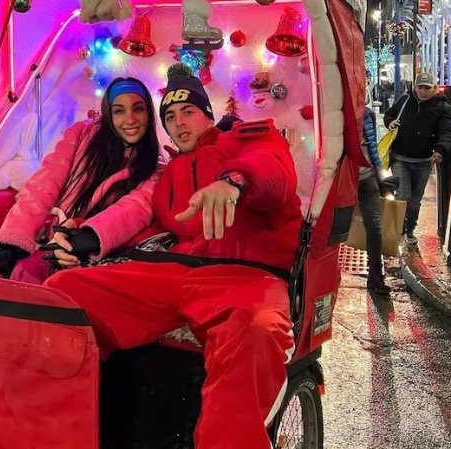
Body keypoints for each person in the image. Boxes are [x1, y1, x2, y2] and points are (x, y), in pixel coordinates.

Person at [44, 63, 302, 449]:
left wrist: (233, 182)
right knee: (65, 292)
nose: (178, 123)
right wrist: (81, 235)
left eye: (187, 112)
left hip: (246, 277)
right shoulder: (166, 175)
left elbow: (274, 170)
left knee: (256, 329)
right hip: (173, 273)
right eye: (169, 116)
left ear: (207, 115)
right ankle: (66, 431)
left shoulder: (245, 139)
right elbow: (143, 224)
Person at [0, 77, 162, 283]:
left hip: (92, 248)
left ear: (149, 113)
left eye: (138, 109)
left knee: (29, 273)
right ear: (109, 114)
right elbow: (44, 183)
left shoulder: (154, 170)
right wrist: (9, 245)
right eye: (119, 111)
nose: (130, 119)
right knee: (11, 271)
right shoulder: (82, 135)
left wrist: (82, 241)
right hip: (51, 235)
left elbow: (132, 211)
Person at [384, 72, 451, 244]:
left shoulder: (442, 107)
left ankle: (410, 229)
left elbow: (446, 132)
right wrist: (390, 122)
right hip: (400, 158)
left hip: (423, 162)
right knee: (403, 195)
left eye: (427, 88)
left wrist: (440, 150)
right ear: (415, 87)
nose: (423, 91)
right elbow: (389, 114)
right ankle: (397, 229)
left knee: (415, 200)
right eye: (420, 87)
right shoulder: (405, 100)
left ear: (434, 88)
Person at [359, 107, 391, 294]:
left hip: (367, 176)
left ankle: (376, 277)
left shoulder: (367, 114)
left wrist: (381, 177)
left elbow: (373, 150)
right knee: (334, 228)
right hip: (342, 179)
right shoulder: (333, 113)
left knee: (374, 226)